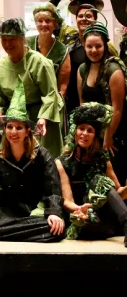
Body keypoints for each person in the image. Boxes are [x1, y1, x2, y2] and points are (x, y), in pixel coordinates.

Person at [0, 78, 65, 243]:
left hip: (33, 212)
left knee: (55, 229)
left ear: (27, 131)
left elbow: (53, 190)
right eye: (9, 127)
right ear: (4, 129)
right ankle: (20, 233)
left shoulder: (42, 155)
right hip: (5, 211)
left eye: (19, 128)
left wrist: (54, 213)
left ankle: (3, 233)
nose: (13, 132)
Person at [0, 18, 63, 159]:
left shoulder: (39, 62)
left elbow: (50, 94)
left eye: (12, 39)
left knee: (40, 159)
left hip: (40, 117)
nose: (8, 44)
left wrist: (43, 119)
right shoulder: (0, 66)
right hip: (14, 121)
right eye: (4, 40)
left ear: (23, 39)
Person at [56, 103, 127, 245]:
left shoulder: (102, 159)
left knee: (99, 180)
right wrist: (80, 209)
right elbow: (67, 201)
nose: (84, 134)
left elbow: (118, 194)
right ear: (75, 132)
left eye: (90, 130)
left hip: (105, 220)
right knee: (98, 181)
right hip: (82, 219)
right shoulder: (62, 162)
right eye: (81, 129)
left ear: (95, 136)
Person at [49, 0, 118, 115]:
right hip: (69, 100)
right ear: (76, 19)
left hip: (98, 103)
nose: (84, 18)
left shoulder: (107, 46)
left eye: (89, 16)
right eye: (80, 16)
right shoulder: (68, 35)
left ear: (95, 19)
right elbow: (49, 14)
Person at [77, 18, 127, 184]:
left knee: (115, 180)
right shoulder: (82, 70)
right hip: (92, 133)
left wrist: (108, 137)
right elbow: (82, 104)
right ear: (84, 46)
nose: (93, 50)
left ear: (105, 45)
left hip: (114, 133)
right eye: (89, 46)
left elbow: (118, 109)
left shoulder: (114, 70)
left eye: (98, 46)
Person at [27, 3, 71, 100]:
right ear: (36, 23)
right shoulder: (26, 44)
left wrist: (57, 104)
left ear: (54, 24)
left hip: (52, 100)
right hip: (27, 100)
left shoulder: (62, 50)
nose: (44, 24)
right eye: (40, 21)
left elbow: (63, 86)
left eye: (48, 21)